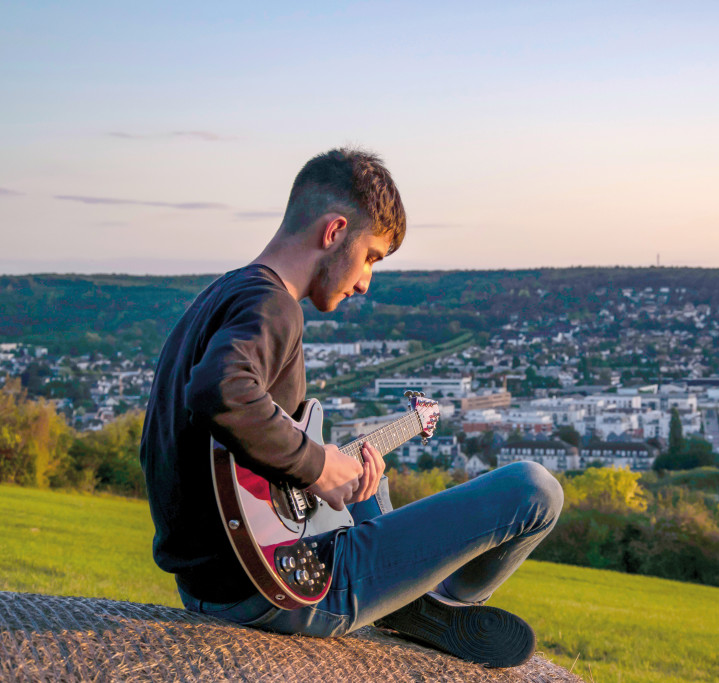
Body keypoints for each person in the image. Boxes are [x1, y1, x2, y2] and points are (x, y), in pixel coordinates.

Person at [139, 148, 563, 668]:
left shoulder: (221, 295)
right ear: (335, 230)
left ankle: (404, 590)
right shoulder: (274, 306)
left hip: (214, 581)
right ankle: (437, 600)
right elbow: (220, 391)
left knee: (367, 468)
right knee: (535, 489)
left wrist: (324, 468)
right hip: (280, 589)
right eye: (371, 258)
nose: (366, 282)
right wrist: (316, 466)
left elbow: (207, 430)